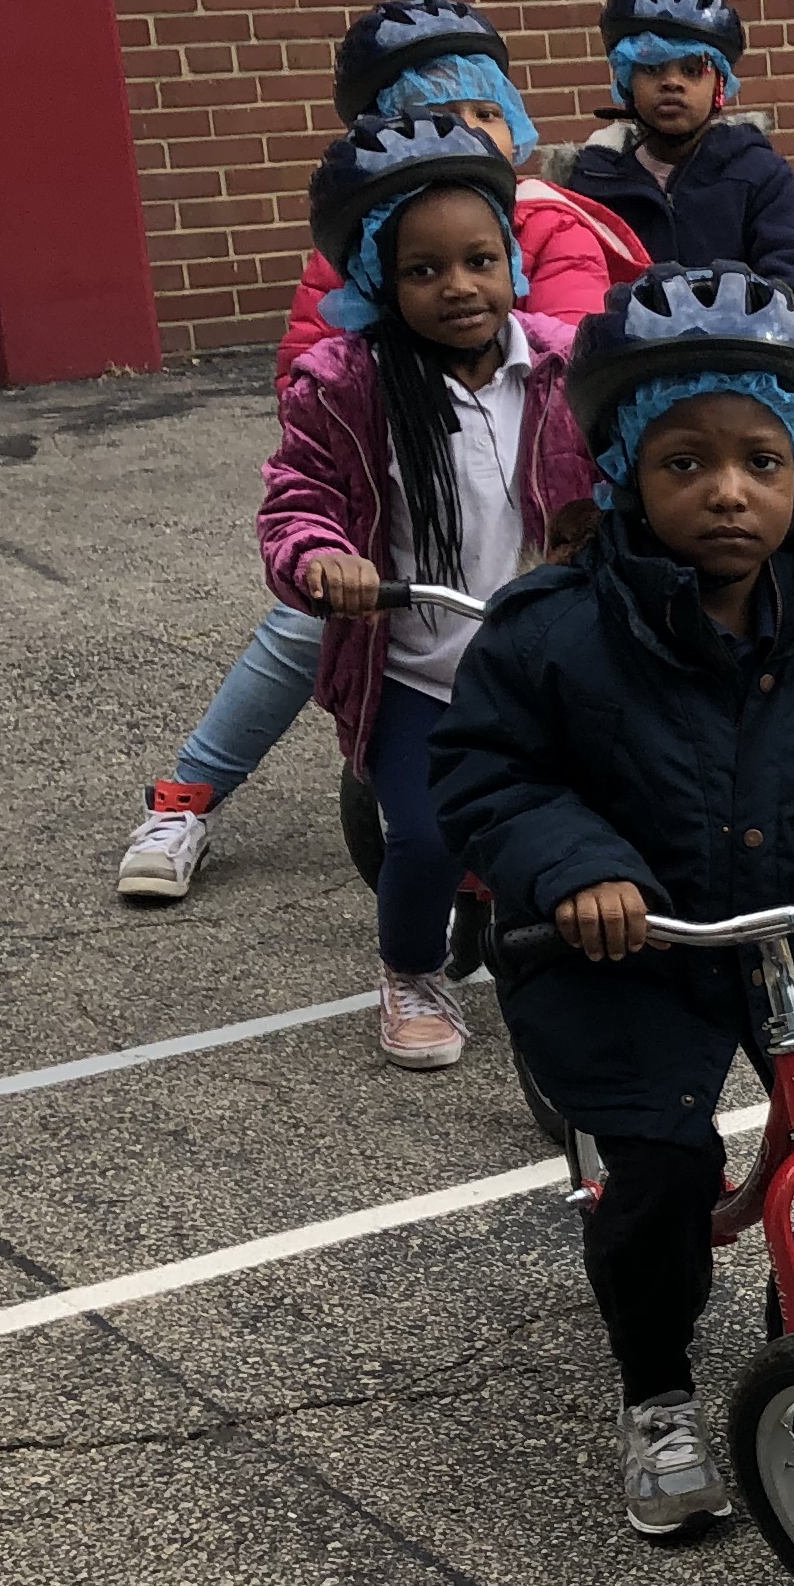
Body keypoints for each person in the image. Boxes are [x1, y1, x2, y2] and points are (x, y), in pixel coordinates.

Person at [431, 270, 794, 1538]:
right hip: (625, 947)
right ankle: (656, 1388)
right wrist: (577, 865)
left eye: (761, 458)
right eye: (684, 462)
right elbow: (487, 767)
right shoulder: (550, 630)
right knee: (658, 1174)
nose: (727, 490)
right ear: (627, 477)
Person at [119, 0, 647, 905]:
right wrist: (337, 436)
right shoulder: (362, 235)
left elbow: (575, 337)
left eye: (486, 110)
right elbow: (306, 362)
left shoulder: (547, 219)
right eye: (437, 114)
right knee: (311, 620)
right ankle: (190, 792)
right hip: (407, 491)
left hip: (533, 480)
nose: (468, 131)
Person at [256, 115, 591, 1069]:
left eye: (480, 260)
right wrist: (324, 559)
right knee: (428, 835)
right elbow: (299, 499)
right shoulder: (348, 385)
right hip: (420, 661)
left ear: (512, 264)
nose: (458, 288)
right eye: (423, 271)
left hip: (542, 652)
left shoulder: (566, 368)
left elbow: (630, 466)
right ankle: (410, 968)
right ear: (377, 281)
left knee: (599, 808)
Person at [568, 0, 794, 304]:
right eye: (651, 67)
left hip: (736, 347)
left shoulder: (759, 174)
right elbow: (574, 286)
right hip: (636, 351)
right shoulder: (594, 182)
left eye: (692, 70)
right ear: (626, 81)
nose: (672, 82)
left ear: (720, 86)